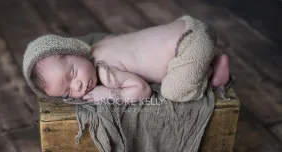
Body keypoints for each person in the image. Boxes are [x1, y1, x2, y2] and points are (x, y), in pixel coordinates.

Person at [22, 15, 232, 104]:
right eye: (68, 92)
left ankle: (212, 73)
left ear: (76, 52)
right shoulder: (102, 43)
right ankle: (209, 60)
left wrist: (108, 95)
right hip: (186, 26)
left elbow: (142, 91)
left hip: (189, 42)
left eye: (73, 73)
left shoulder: (104, 70)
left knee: (173, 91)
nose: (78, 86)